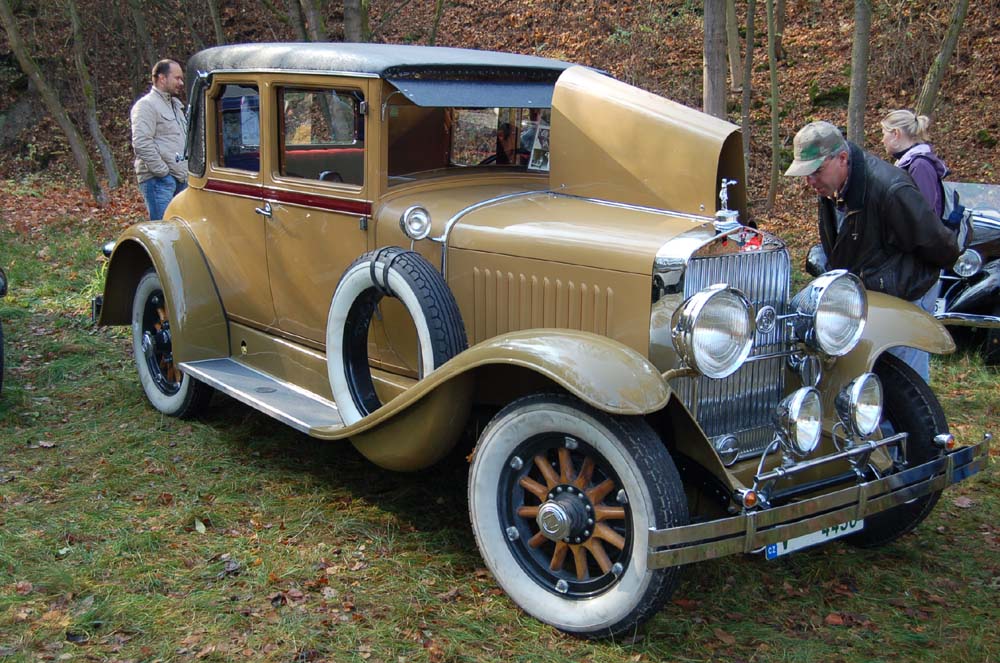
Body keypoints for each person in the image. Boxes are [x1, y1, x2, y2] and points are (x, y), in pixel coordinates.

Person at [784, 120, 959, 382]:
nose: (810, 181)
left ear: (842, 158)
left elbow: (941, 246)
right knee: (867, 372)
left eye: (816, 171)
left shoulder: (890, 189)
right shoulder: (831, 185)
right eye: (805, 173)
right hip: (866, 295)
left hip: (908, 292)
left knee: (903, 379)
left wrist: (901, 278)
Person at [131, 59, 187, 220]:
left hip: (180, 179)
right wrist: (163, 174)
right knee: (164, 229)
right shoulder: (146, 105)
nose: (181, 83)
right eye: (177, 78)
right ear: (162, 78)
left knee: (179, 229)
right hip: (159, 181)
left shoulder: (176, 106)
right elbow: (141, 143)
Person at [881, 110, 948, 216]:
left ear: (896, 133)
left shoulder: (920, 166)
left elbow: (922, 214)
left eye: (883, 134)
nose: (882, 140)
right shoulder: (907, 163)